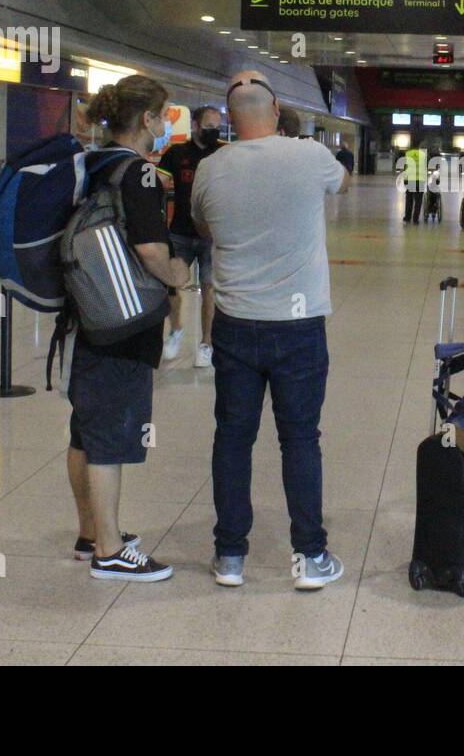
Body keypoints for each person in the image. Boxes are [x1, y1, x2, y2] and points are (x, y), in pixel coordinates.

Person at [192, 72, 351, 590]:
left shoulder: (210, 168)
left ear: (228, 118)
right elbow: (341, 183)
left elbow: (202, 227)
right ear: (277, 108)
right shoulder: (309, 156)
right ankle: (309, 557)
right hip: (299, 327)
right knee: (300, 439)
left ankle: (230, 556)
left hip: (235, 324)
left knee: (233, 439)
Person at [68, 75, 191, 581]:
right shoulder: (137, 173)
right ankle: (110, 550)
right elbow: (149, 250)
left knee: (85, 428)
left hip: (91, 311)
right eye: (162, 116)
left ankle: (90, 532)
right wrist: (179, 276)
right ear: (146, 120)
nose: (164, 126)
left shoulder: (92, 164)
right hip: (124, 321)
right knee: (112, 435)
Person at [157, 106, 223, 367]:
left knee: (208, 287)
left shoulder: (222, 153)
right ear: (195, 125)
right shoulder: (177, 153)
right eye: (209, 125)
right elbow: (158, 181)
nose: (214, 131)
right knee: (172, 284)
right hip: (180, 232)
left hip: (210, 234)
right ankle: (176, 330)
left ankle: (206, 343)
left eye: (217, 125)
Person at [401, 139, 427, 223]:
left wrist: (405, 179)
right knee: (418, 201)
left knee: (409, 199)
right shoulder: (423, 155)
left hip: (410, 179)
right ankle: (415, 219)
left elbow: (405, 167)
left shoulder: (408, 154)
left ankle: (407, 217)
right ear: (419, 145)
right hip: (420, 180)